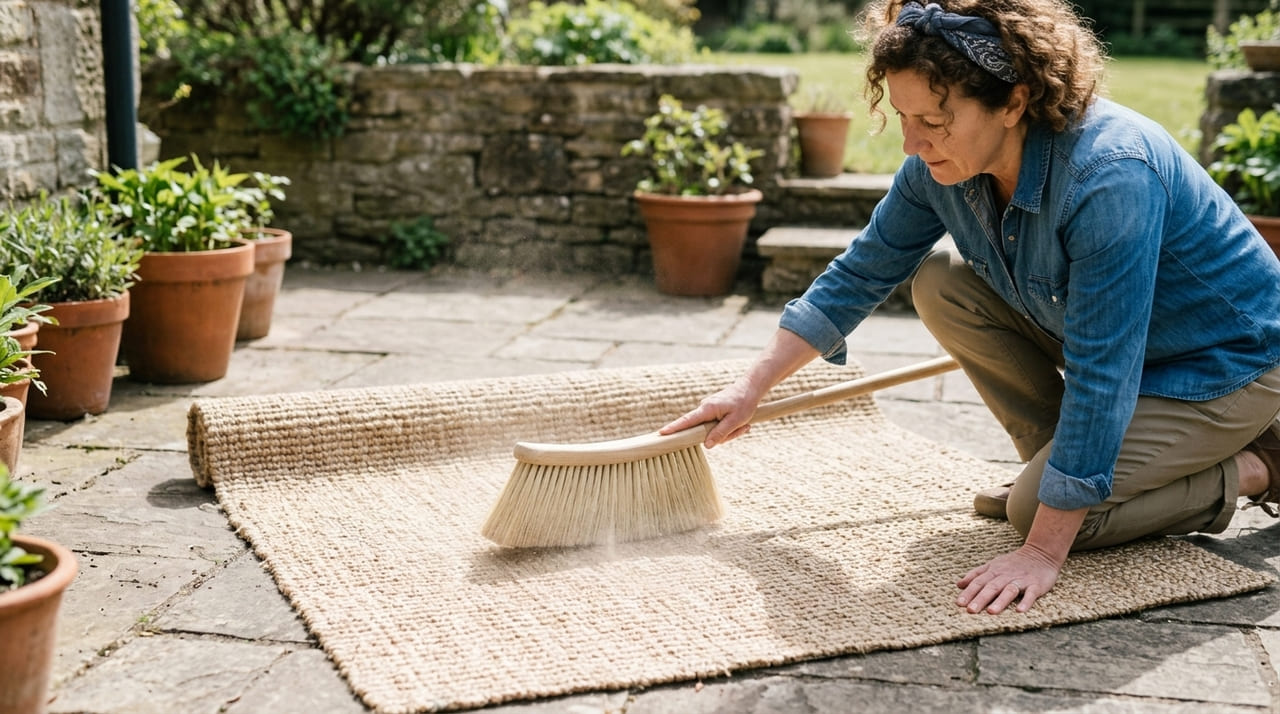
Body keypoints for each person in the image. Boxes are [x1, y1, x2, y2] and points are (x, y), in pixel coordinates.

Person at [661, 0, 1280, 616]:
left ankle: (1262, 465)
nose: (911, 141)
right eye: (902, 116)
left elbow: (1104, 368)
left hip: (1226, 366)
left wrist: (1041, 551)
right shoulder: (937, 166)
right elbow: (861, 271)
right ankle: (1061, 464)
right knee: (940, 280)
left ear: (1014, 102)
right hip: (1131, 349)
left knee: (1038, 515)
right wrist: (751, 387)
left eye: (933, 118)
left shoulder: (1111, 176)